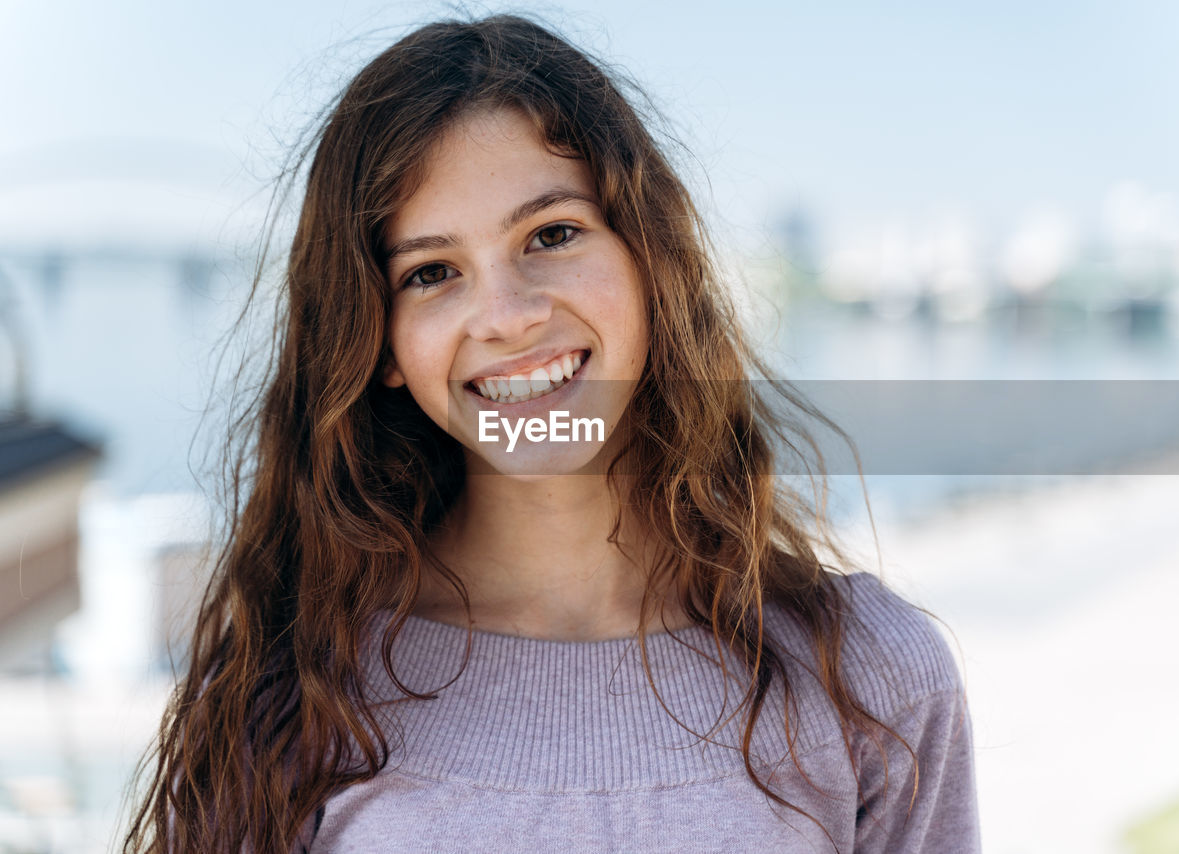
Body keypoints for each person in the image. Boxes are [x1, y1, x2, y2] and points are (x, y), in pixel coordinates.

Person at [124, 14, 979, 854]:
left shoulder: (872, 680)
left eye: (553, 234)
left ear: (650, 256)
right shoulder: (292, 695)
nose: (506, 317)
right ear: (379, 343)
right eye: (431, 274)